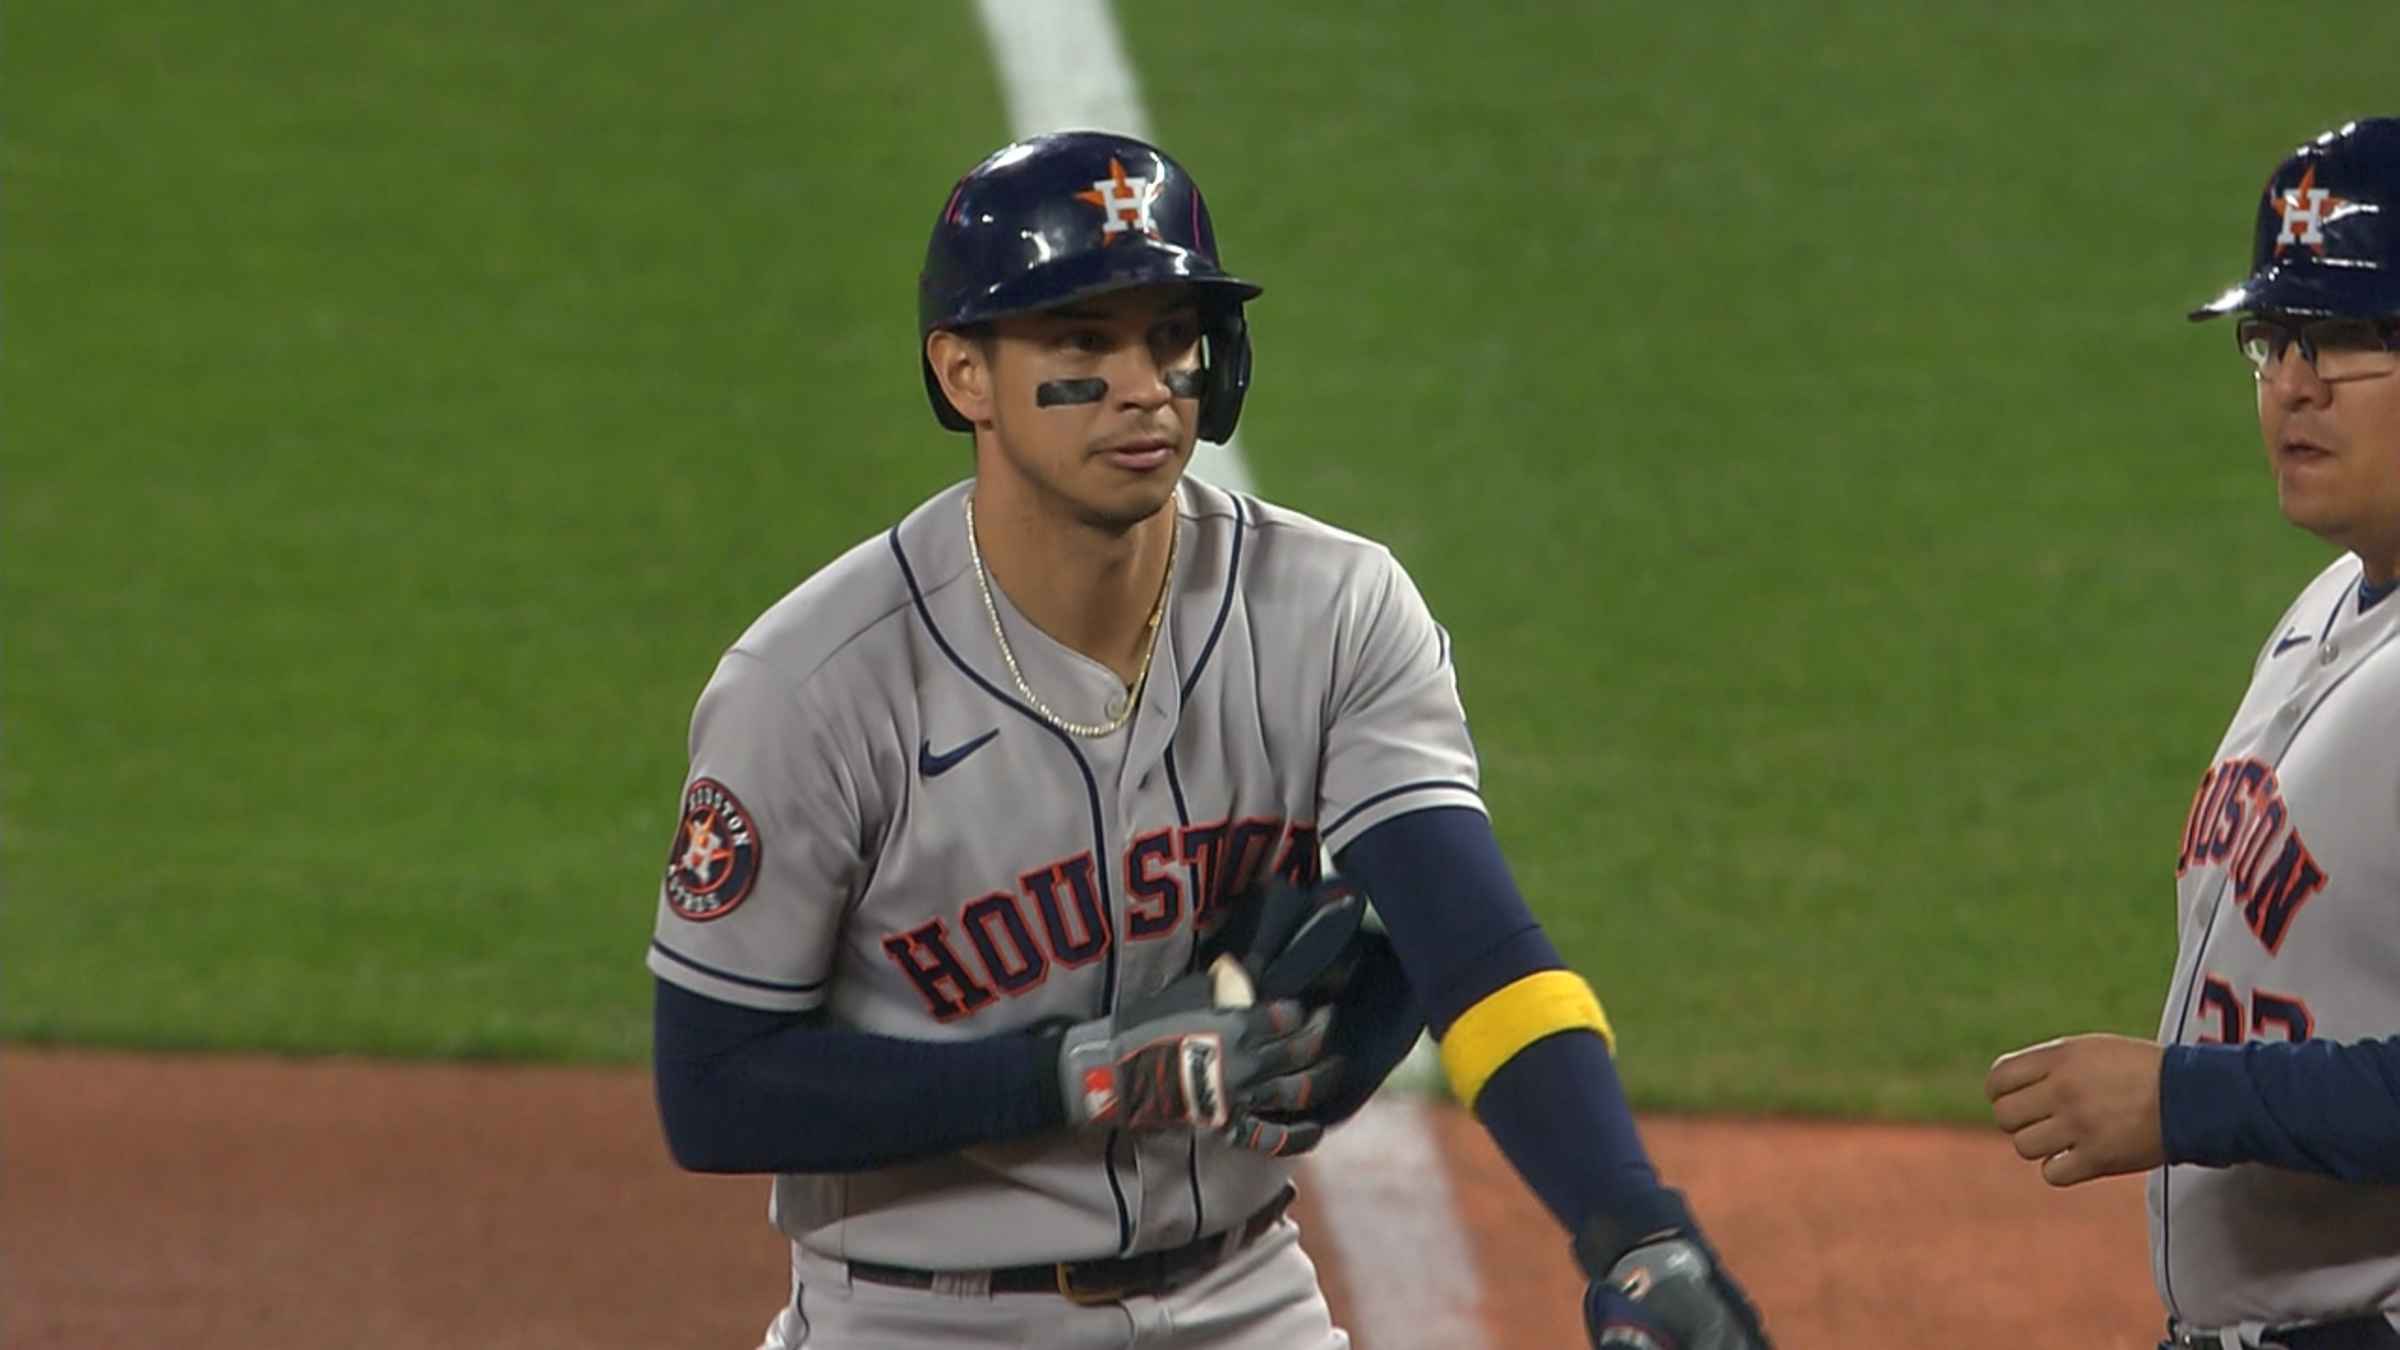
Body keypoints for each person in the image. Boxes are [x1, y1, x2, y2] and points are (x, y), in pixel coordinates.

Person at [647, 129, 1772, 1350]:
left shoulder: (1331, 610)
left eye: (1171, 338)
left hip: (1241, 1301)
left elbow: (1478, 951)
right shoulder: (814, 685)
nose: (1143, 385)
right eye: (1083, 340)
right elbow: (714, 1091)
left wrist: (1633, 1231)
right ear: (964, 375)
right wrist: (1081, 1072)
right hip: (920, 1324)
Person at [1987, 117, 2400, 1350]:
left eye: (2348, 338)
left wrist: (2185, 1096)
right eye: (2274, 338)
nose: (2293, 383)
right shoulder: (2333, 602)